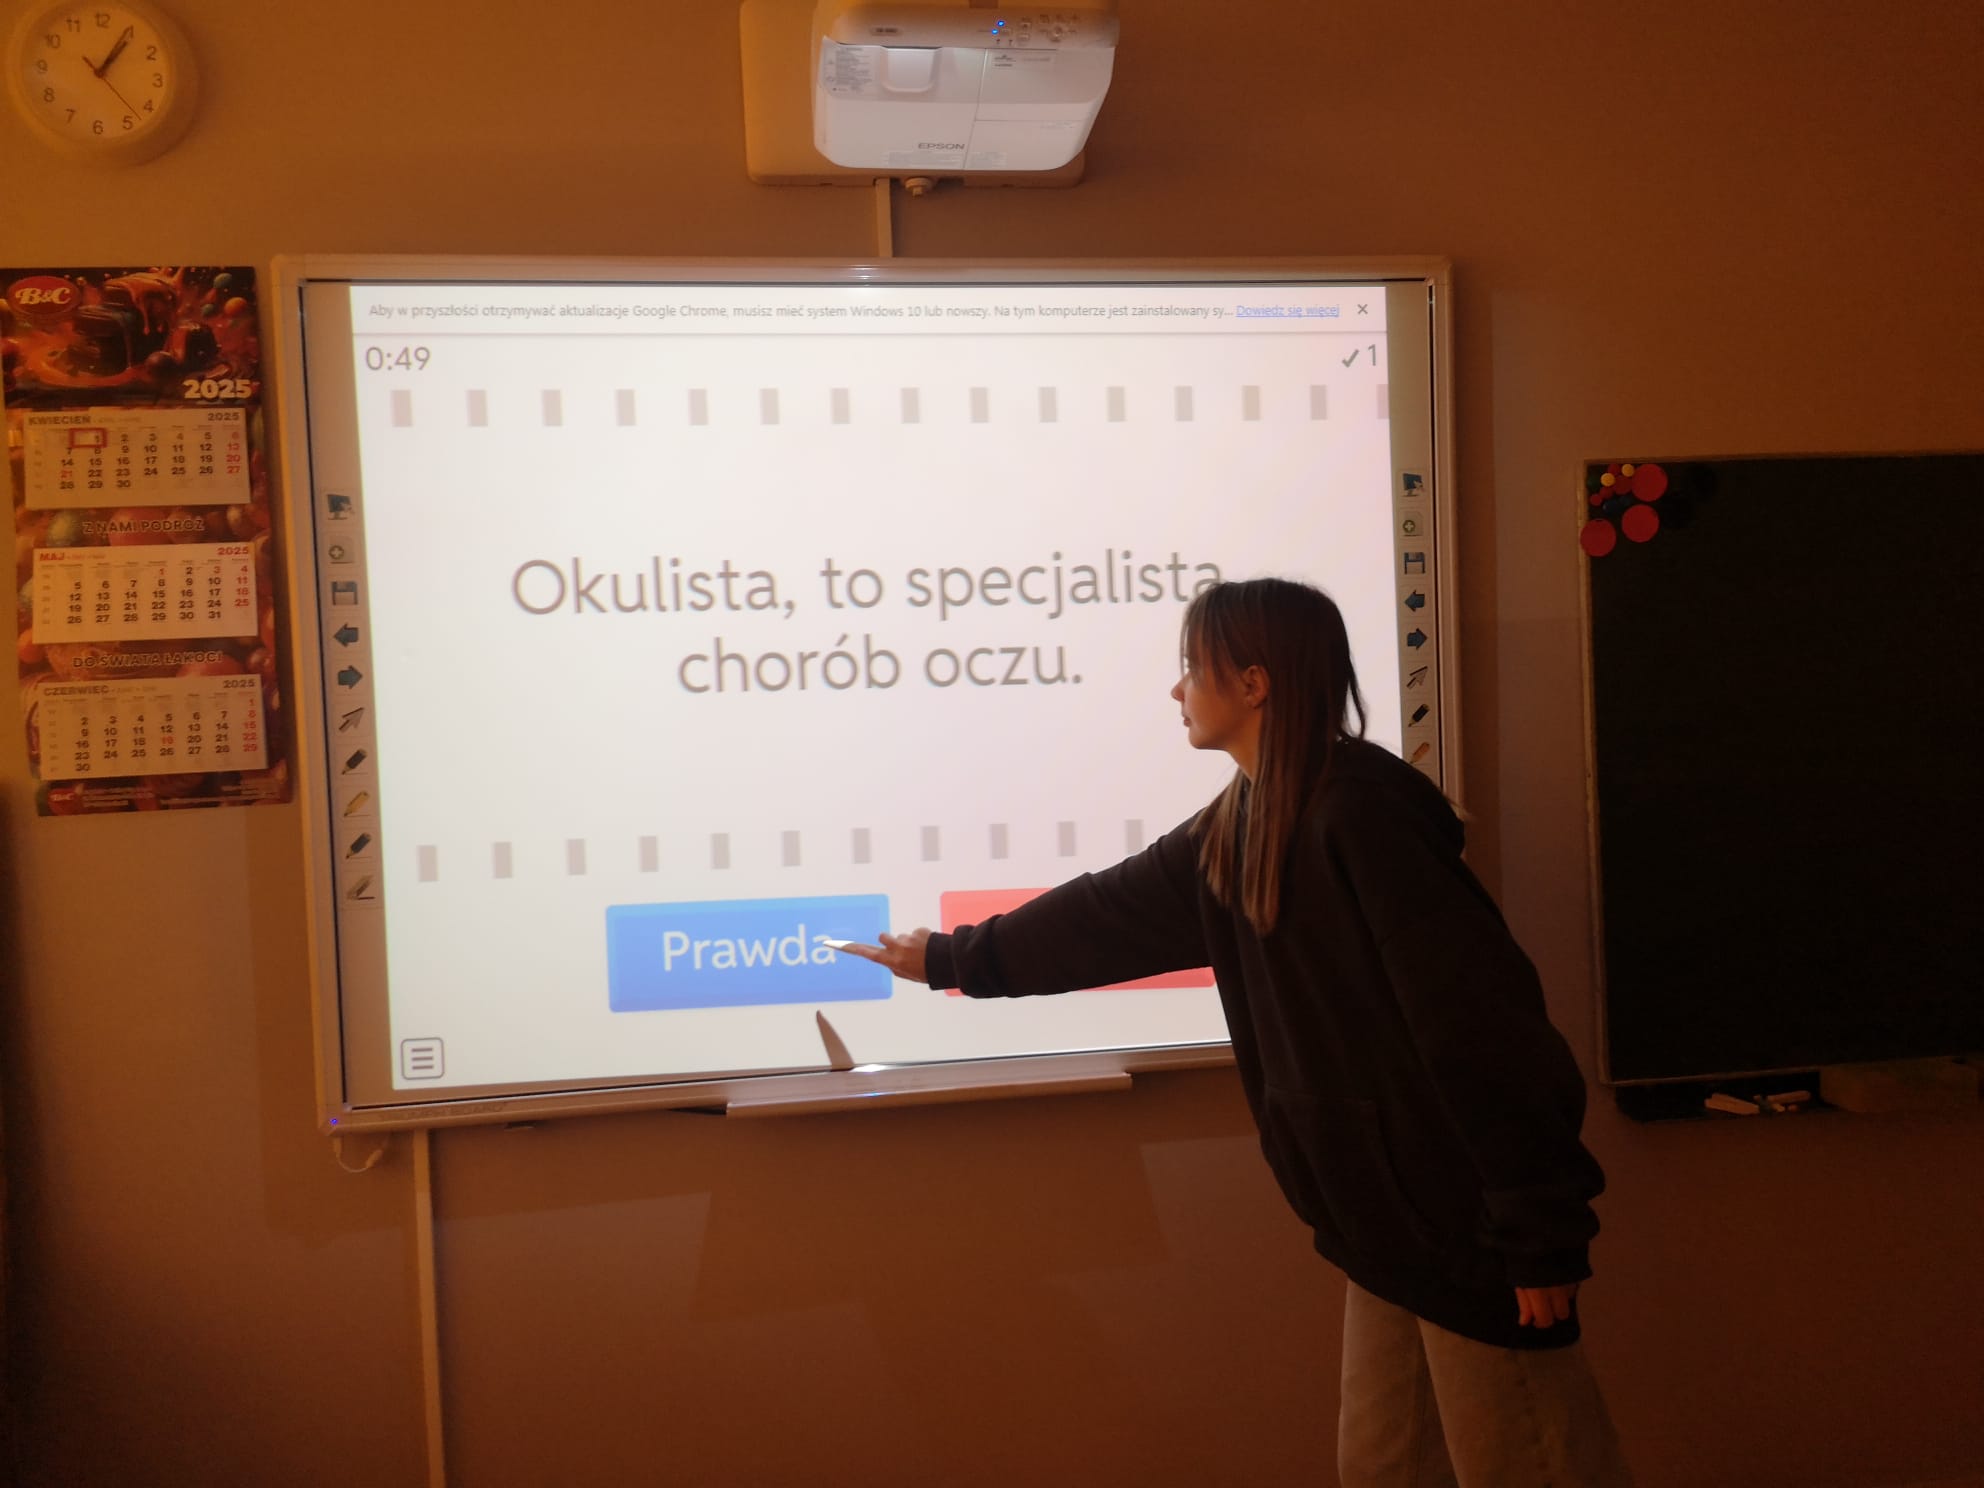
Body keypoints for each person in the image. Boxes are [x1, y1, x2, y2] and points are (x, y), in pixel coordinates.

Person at [835, 577, 1631, 1487]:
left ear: (1255, 684)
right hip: (1382, 1224)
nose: (1177, 690)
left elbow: (1484, 1028)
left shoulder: (1363, 816)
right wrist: (949, 957)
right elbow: (1104, 915)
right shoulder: (1241, 820)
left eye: (1192, 668)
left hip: (1469, 1225)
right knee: (1381, 1468)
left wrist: (1537, 1229)